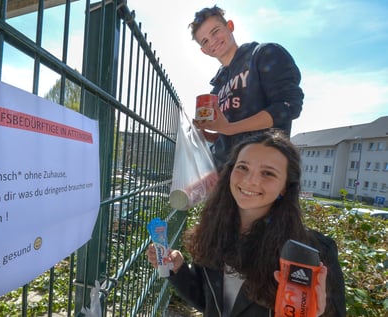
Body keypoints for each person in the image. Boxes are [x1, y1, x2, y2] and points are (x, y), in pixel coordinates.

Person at [147, 131, 346, 316]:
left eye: (268, 173)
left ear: (285, 187)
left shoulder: (314, 252)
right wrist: (179, 269)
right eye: (242, 167)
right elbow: (210, 304)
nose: (250, 180)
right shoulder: (213, 232)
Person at [190, 5, 304, 171]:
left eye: (215, 31)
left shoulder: (264, 54)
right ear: (203, 51)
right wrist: (208, 134)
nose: (212, 41)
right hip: (225, 175)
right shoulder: (217, 87)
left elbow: (289, 106)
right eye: (205, 41)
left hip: (260, 172)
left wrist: (229, 128)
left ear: (230, 26)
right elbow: (228, 134)